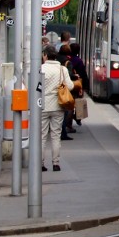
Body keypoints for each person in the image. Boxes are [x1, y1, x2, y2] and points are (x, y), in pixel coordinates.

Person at [38, 44, 72, 172]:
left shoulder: (40, 68)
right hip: (58, 105)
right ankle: (56, 163)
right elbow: (70, 86)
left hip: (42, 105)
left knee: (41, 136)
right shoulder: (62, 69)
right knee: (55, 135)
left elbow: (36, 87)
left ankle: (41, 164)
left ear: (45, 55)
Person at [58, 45, 79, 140]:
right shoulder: (67, 63)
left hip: (52, 93)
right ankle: (63, 133)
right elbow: (69, 81)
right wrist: (75, 77)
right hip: (63, 90)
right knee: (65, 112)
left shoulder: (55, 60)